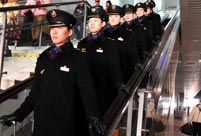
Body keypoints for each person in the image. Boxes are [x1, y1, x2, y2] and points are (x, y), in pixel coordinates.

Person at [0, 9, 106, 136]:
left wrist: (94, 116)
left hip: (66, 127)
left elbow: (87, 91)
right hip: (42, 126)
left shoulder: (78, 58)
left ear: (70, 32)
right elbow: (34, 94)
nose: (54, 32)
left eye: (60, 27)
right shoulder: (44, 58)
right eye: (52, 28)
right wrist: (18, 115)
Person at [77, 6, 128, 115]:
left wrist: (120, 84)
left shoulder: (109, 43)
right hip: (85, 90)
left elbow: (114, 67)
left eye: (95, 21)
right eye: (90, 21)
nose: (92, 24)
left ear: (103, 24)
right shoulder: (82, 43)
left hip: (103, 90)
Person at [104, 5, 141, 83]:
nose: (112, 18)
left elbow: (132, 52)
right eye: (110, 16)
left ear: (121, 18)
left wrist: (137, 63)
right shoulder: (104, 33)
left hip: (123, 71)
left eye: (116, 16)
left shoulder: (127, 34)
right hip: (105, 73)